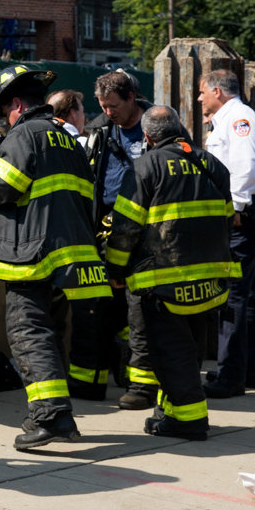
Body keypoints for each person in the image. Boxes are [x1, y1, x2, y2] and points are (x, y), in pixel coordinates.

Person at [0, 64, 108, 451]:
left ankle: (52, 417)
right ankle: (55, 415)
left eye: (4, 113)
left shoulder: (24, 135)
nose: (5, 121)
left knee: (28, 333)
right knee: (49, 333)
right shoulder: (69, 140)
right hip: (71, 256)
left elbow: (3, 186)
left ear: (16, 104)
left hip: (32, 254)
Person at [106, 106, 236, 440]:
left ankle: (189, 420)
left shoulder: (145, 167)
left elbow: (124, 230)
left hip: (163, 281)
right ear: (179, 128)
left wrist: (116, 268)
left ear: (148, 137)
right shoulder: (212, 165)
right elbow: (227, 218)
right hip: (210, 280)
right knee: (191, 348)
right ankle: (172, 411)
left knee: (171, 351)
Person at [81, 70, 157, 411]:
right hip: (106, 226)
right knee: (103, 306)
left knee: (139, 308)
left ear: (131, 98)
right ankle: (110, 373)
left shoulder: (156, 127)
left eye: (113, 105)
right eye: (102, 105)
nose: (108, 111)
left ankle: (140, 379)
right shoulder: (100, 129)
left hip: (147, 231)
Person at [199, 68, 255, 398]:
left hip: (239, 216)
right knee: (246, 297)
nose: (199, 98)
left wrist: (237, 208)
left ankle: (231, 377)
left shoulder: (239, 117)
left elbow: (247, 165)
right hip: (240, 214)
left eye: (202, 92)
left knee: (233, 296)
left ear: (218, 91)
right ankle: (249, 371)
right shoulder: (229, 118)